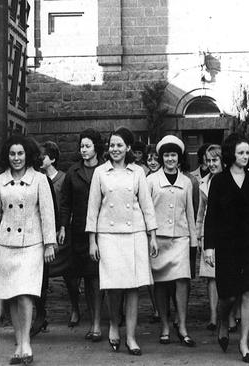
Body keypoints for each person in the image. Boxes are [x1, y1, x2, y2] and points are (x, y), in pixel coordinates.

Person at [86, 127, 159, 356]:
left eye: (119, 145)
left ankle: (131, 337)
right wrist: (92, 241)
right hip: (108, 234)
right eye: (112, 145)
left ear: (128, 148)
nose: (115, 149)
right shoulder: (100, 172)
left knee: (134, 287)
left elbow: (147, 206)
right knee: (113, 285)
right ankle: (114, 327)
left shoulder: (138, 172)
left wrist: (153, 236)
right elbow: (93, 208)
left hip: (135, 234)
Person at [0, 135, 57, 365]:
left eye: (20, 153)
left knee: (26, 294)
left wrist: (50, 243)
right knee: (11, 295)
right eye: (12, 154)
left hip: (32, 244)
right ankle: (18, 342)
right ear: (6, 156)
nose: (16, 158)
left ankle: (26, 343)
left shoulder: (39, 179)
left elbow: (48, 214)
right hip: (7, 243)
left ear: (27, 155)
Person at [204, 133, 249, 364]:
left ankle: (243, 343)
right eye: (241, 152)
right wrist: (209, 247)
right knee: (228, 295)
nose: (245, 156)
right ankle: (223, 320)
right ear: (231, 153)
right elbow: (210, 216)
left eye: (247, 152)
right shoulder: (219, 181)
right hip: (226, 246)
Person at [147, 135, 198, 347]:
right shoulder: (150, 181)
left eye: (173, 155)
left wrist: (193, 240)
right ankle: (166, 325)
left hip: (180, 239)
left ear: (179, 158)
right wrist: (150, 237)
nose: (170, 159)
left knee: (182, 281)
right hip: (158, 239)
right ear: (161, 157)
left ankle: (182, 325)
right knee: (160, 283)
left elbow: (190, 213)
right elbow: (147, 211)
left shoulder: (187, 182)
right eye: (166, 155)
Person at [58, 129, 105, 339]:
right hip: (79, 232)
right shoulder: (72, 172)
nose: (83, 150)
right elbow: (65, 203)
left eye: (87, 146)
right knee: (87, 276)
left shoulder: (106, 170)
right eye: (82, 146)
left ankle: (99, 322)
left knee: (97, 276)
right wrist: (62, 227)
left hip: (104, 230)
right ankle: (90, 318)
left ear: (96, 147)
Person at [30, 141, 73, 337]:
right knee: (40, 277)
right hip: (34, 234)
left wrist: (59, 229)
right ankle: (40, 314)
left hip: (56, 232)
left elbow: (60, 207)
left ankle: (75, 308)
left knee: (69, 274)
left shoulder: (58, 179)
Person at [196, 144, 222, 331]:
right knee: (211, 278)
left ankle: (231, 315)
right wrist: (199, 236)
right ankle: (213, 316)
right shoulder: (204, 183)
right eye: (209, 160)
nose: (212, 164)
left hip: (229, 234)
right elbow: (200, 213)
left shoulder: (230, 180)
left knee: (230, 276)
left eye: (215, 160)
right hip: (209, 234)